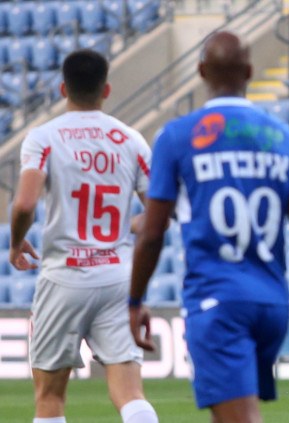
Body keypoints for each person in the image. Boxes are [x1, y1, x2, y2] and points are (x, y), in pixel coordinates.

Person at [128, 31, 289, 423]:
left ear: (201, 71)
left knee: (239, 416)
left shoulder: (177, 136)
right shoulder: (285, 139)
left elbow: (152, 233)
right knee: (229, 412)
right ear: (250, 72)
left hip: (217, 300)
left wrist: (134, 302)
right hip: (272, 303)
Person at [9, 50, 159, 423]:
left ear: (63, 88)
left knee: (49, 399)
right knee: (130, 393)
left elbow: (25, 204)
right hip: (117, 278)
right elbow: (159, 214)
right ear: (106, 89)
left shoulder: (44, 138)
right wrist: (123, 227)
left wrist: (15, 243)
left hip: (64, 276)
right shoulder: (130, 140)